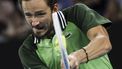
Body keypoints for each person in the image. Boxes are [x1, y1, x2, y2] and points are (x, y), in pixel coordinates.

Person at [18, 0, 113, 69]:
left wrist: (78, 57)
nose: (34, 22)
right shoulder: (27, 50)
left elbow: (104, 43)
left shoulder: (77, 13)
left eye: (40, 14)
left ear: (54, 9)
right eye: (28, 15)